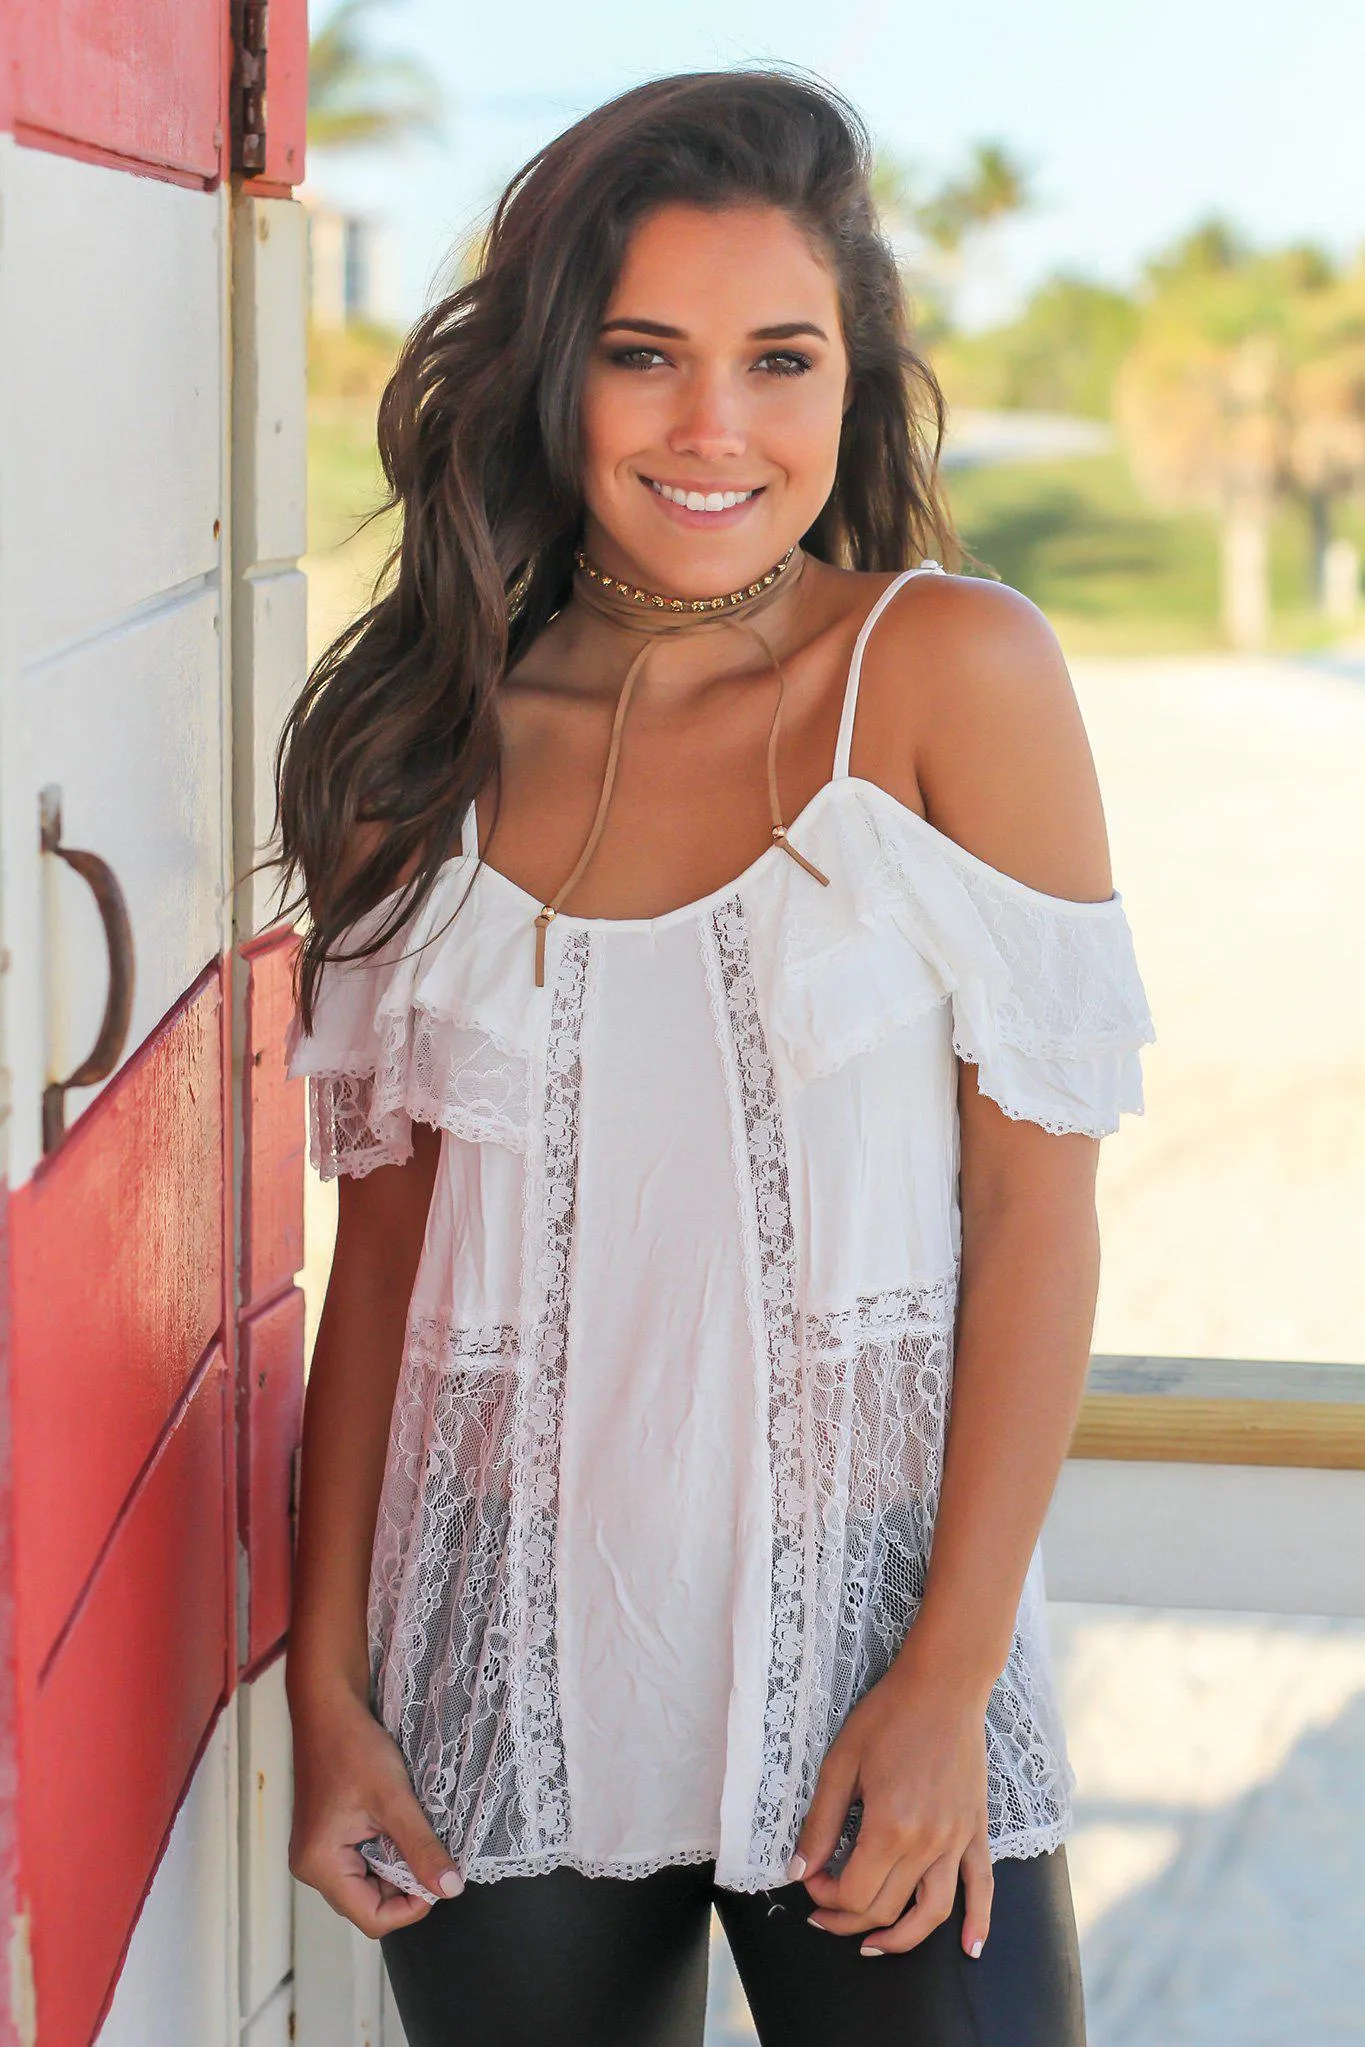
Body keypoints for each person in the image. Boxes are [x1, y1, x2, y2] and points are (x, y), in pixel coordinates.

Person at [277, 69, 1154, 2047]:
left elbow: (1036, 1213)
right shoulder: (411, 754)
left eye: (779, 358)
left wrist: (946, 1675)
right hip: (495, 1652)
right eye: (642, 355)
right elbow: (385, 1278)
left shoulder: (945, 674)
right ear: (545, 377)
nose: (712, 428)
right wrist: (327, 1687)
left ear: (852, 383)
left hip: (875, 1637)